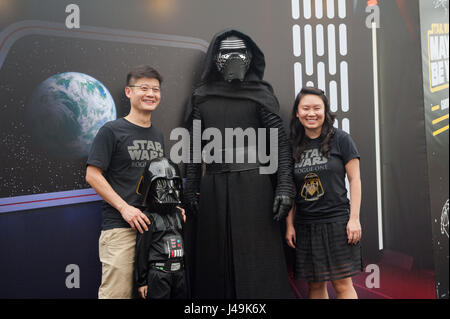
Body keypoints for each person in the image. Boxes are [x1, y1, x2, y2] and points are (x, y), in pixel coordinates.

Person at [184, 29, 294, 299]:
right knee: (215, 259)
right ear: (215, 58)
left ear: (250, 57)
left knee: (258, 260)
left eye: (240, 52)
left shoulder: (261, 94)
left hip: (255, 188)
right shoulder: (202, 96)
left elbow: (279, 142)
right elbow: (194, 148)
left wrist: (284, 186)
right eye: (225, 52)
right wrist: (190, 187)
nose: (233, 58)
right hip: (214, 189)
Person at [86, 65, 166, 299]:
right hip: (121, 229)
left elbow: (157, 180)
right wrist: (125, 209)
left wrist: (171, 207)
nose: (151, 93)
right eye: (144, 88)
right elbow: (92, 175)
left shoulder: (158, 135)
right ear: (129, 92)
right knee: (117, 295)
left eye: (156, 89)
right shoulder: (111, 130)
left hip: (153, 230)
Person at [285, 87, 363, 299]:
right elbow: (290, 189)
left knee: (342, 285)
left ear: (325, 111)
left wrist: (354, 219)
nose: (311, 113)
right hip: (306, 225)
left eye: (317, 108)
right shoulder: (293, 146)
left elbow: (355, 180)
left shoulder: (341, 139)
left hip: (337, 222)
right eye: (305, 108)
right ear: (297, 113)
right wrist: (290, 225)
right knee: (316, 287)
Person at [134, 157, 187, 299]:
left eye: (172, 184)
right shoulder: (148, 218)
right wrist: (142, 282)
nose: (169, 190)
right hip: (158, 274)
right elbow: (141, 251)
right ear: (151, 188)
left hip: (179, 273)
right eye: (162, 185)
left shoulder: (178, 214)